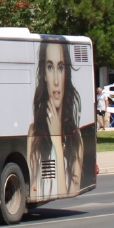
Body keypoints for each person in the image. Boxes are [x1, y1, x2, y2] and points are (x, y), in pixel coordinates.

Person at [28, 39, 84, 200]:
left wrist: (57, 145)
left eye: (60, 68)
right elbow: (33, 193)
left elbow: (68, 193)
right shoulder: (34, 133)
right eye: (50, 67)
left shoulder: (76, 138)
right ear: (44, 75)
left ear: (66, 74)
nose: (56, 80)